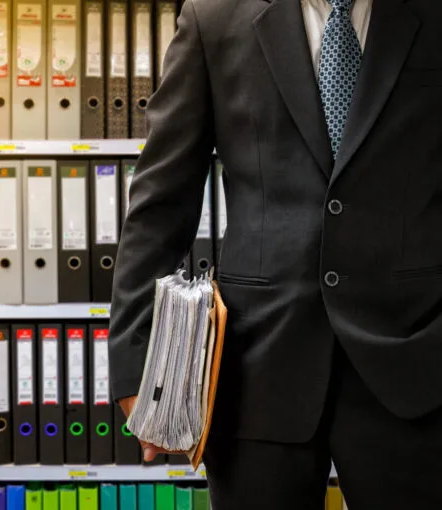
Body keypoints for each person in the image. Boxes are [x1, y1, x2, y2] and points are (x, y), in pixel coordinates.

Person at [109, 0, 442, 508]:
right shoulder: (214, 16)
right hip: (257, 365)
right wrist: (137, 363)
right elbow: (160, 201)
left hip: (414, 359)